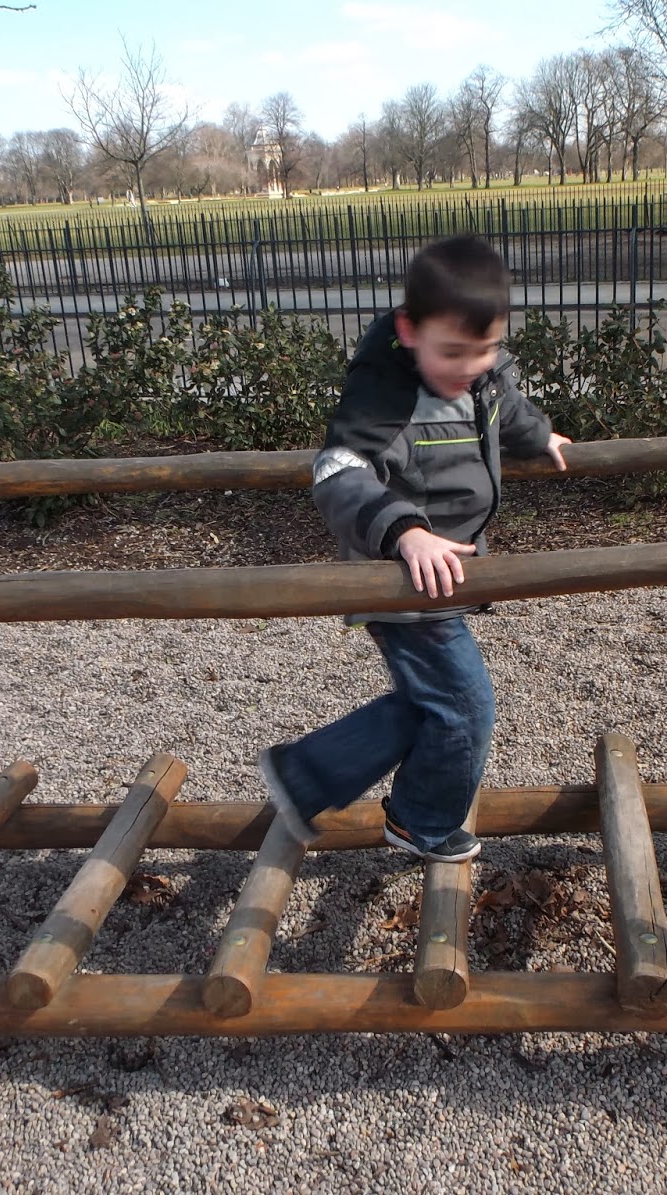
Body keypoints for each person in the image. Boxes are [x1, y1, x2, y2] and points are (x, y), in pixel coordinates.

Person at [258, 236, 570, 863]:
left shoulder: (477, 369)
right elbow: (337, 470)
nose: (470, 366)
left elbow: (501, 405)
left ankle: (305, 777)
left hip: (445, 573)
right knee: (465, 706)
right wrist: (405, 530)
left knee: (434, 702)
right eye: (454, 352)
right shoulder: (386, 396)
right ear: (408, 330)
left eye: (487, 350)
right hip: (400, 575)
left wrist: (539, 435)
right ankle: (419, 821)